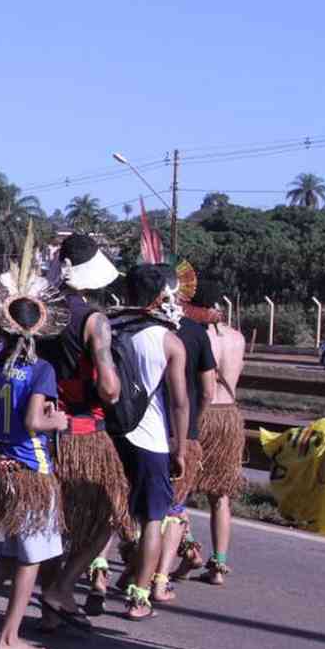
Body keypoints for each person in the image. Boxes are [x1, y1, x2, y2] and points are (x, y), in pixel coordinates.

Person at [0, 250, 70, 649]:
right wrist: (57, 423)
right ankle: (9, 639)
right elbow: (35, 421)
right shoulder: (42, 369)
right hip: (32, 468)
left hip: (0, 464)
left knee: (13, 549)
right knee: (31, 559)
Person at [37, 234, 125, 622]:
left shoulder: (41, 313)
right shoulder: (94, 320)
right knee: (107, 515)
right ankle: (63, 587)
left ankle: (49, 612)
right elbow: (108, 387)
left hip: (44, 428)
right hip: (85, 432)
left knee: (53, 521)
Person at [110, 264, 190, 621]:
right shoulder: (169, 341)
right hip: (150, 439)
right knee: (153, 519)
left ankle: (96, 570)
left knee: (107, 511)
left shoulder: (106, 329)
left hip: (108, 433)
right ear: (161, 298)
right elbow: (179, 401)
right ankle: (139, 596)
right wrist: (182, 447)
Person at [158, 267, 218, 596]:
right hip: (184, 432)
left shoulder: (139, 328)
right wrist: (196, 418)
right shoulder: (196, 333)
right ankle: (157, 578)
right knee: (174, 507)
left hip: (146, 431)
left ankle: (175, 557)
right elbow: (207, 390)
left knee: (148, 506)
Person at [185, 280, 246, 585]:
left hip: (203, 414)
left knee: (180, 487)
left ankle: (186, 548)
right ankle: (219, 564)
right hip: (230, 416)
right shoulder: (238, 338)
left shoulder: (195, 335)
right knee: (221, 493)